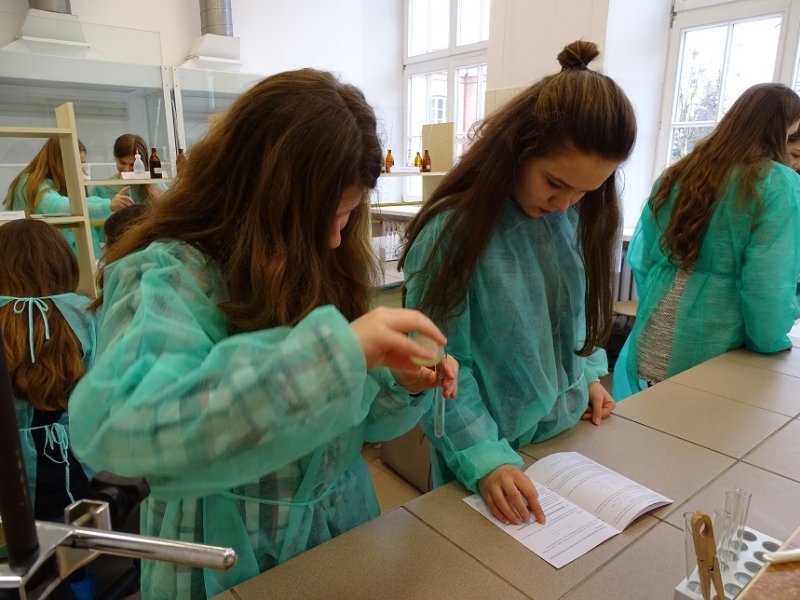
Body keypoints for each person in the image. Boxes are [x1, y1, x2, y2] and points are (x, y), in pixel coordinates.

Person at [68, 68, 459, 599]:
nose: (334, 237)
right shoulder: (170, 274)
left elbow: (348, 429)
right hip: (222, 555)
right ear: (264, 200)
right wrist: (333, 355)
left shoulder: (322, 261)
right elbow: (133, 432)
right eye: (326, 215)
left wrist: (398, 381)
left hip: (339, 531)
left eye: (348, 215)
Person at [399, 40, 636, 527]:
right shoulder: (454, 232)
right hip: (485, 455)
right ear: (518, 150)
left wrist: (587, 378)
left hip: (563, 443)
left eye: (584, 191)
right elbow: (439, 367)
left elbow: (570, 320)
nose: (563, 203)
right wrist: (485, 458)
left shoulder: (568, 218)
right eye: (555, 182)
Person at [613, 82, 800, 400]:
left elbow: (644, 258)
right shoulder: (779, 184)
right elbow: (767, 282)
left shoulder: (681, 171)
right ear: (781, 130)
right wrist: (769, 341)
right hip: (715, 335)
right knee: (702, 420)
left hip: (657, 323)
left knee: (654, 414)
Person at [0, 219, 98, 598]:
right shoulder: (87, 317)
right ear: (63, 262)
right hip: (79, 481)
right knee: (75, 568)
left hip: (11, 492)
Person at [3, 138, 134, 256]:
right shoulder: (31, 184)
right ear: (60, 162)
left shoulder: (57, 184)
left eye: (83, 164)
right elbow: (60, 206)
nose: (80, 170)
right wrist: (108, 205)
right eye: (77, 164)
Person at [89, 133, 168, 207]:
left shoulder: (156, 185)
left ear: (143, 163)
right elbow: (87, 209)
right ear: (114, 157)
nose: (127, 169)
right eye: (122, 163)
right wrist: (108, 206)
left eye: (133, 165)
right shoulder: (101, 188)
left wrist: (163, 201)